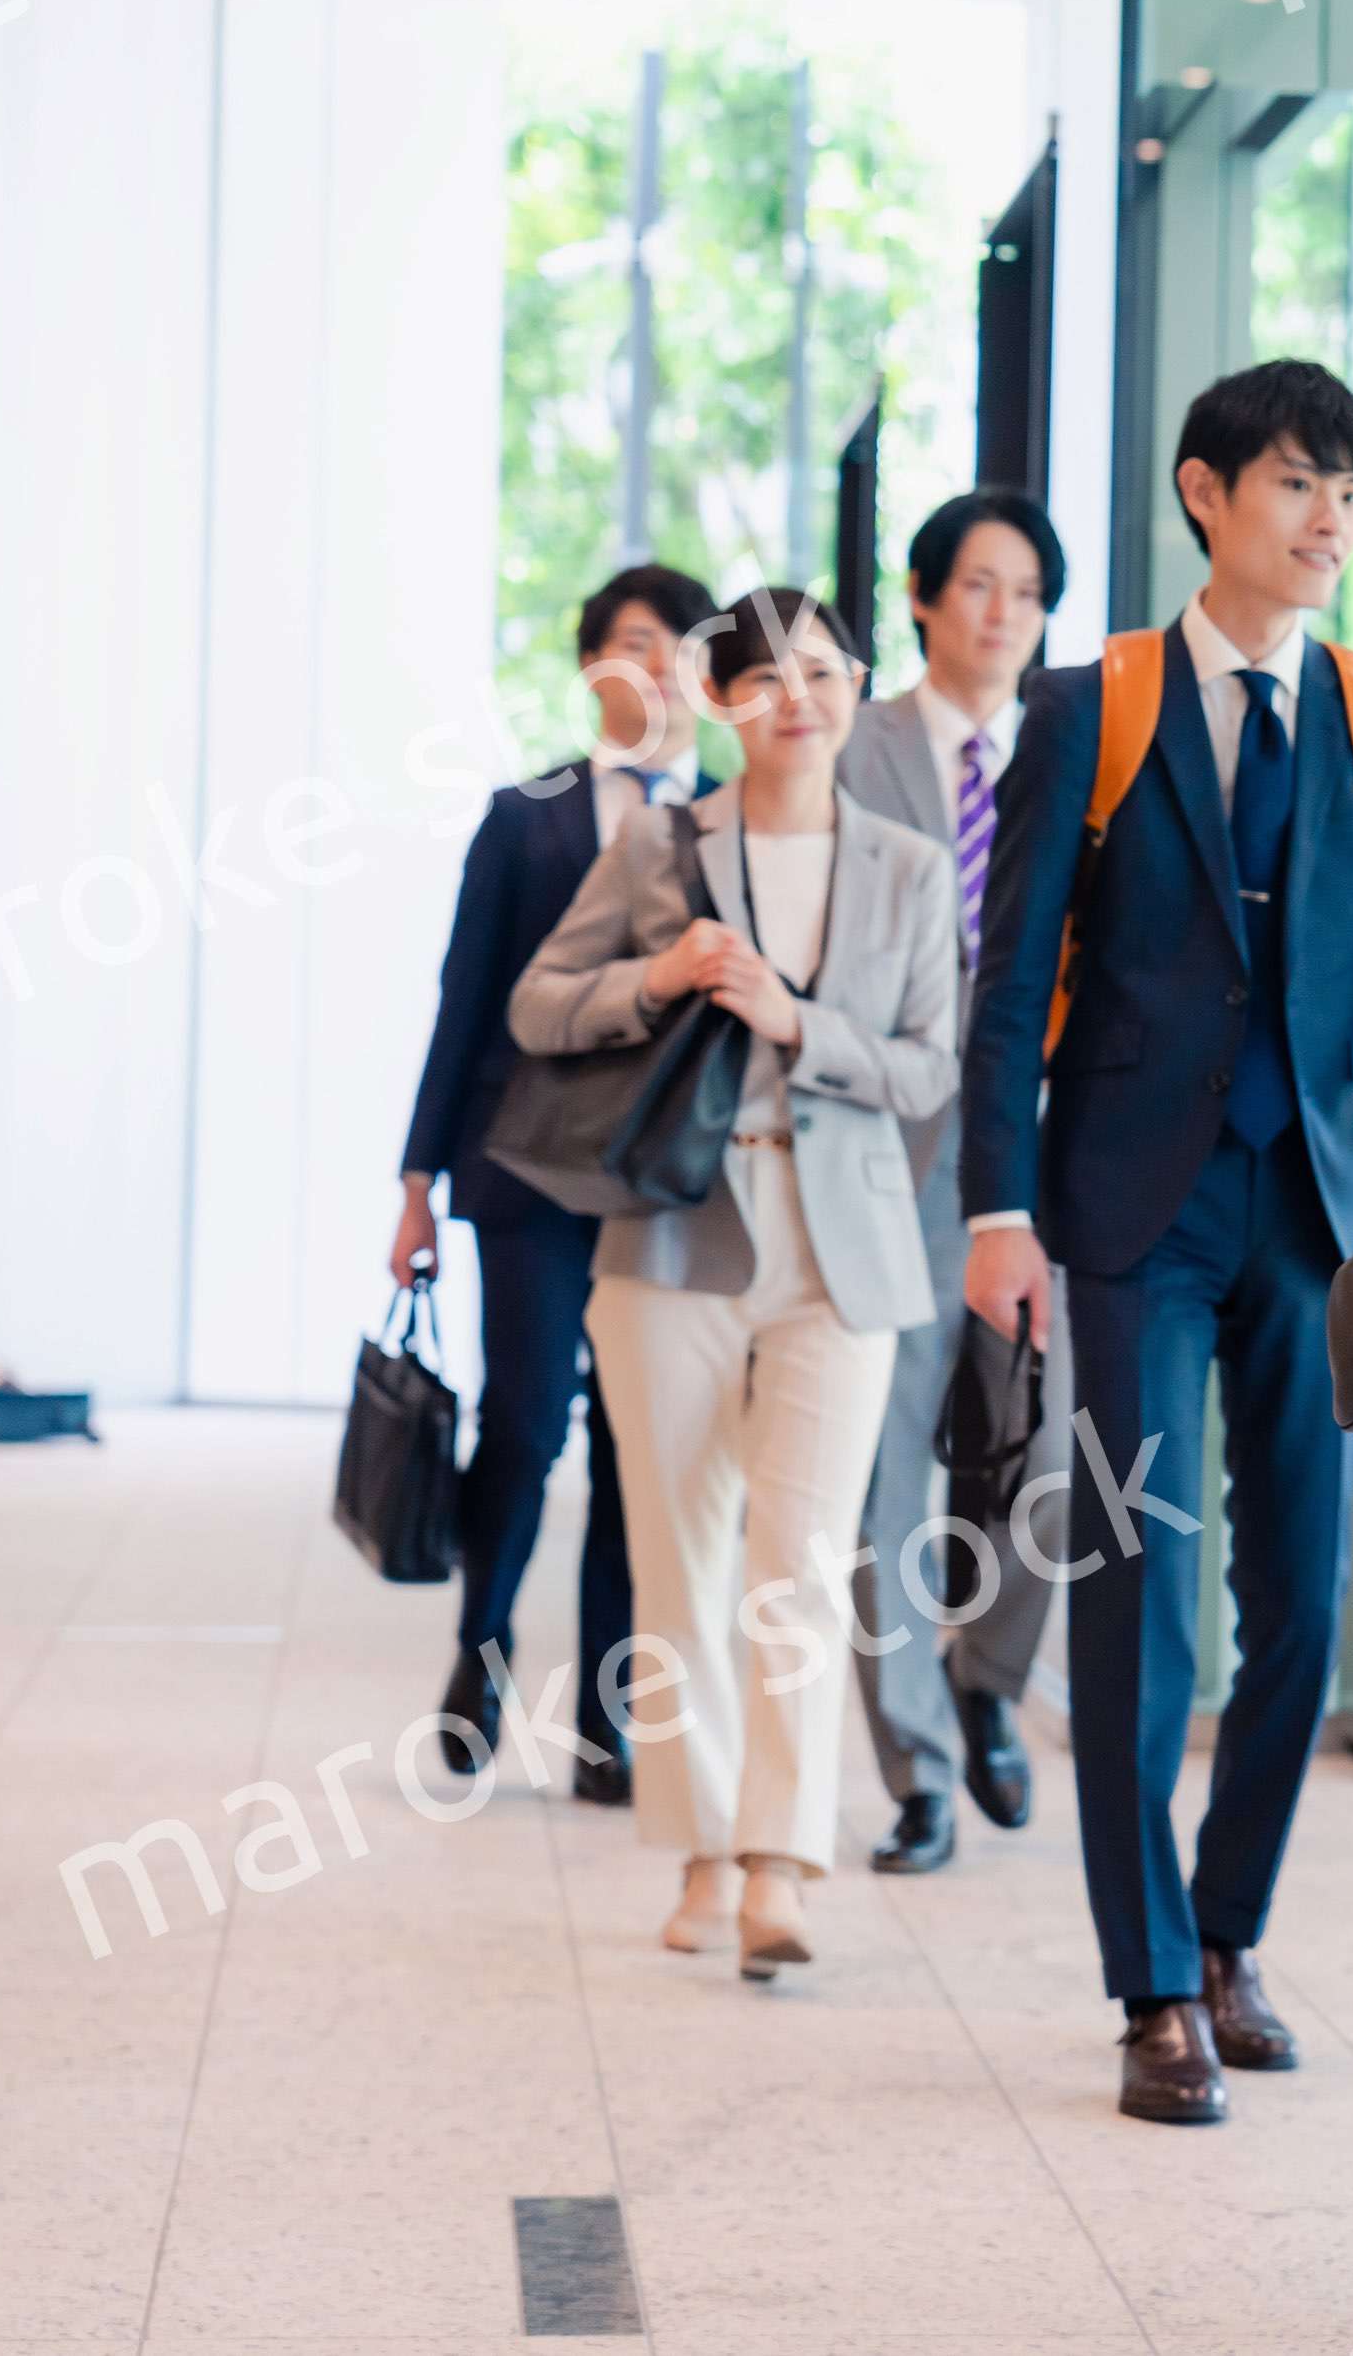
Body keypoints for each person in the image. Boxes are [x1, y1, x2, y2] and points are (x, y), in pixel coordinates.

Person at [956, 359, 1353, 2126]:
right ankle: (1152, 1983)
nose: (1331, 520)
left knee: (1299, 1610)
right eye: (1296, 485)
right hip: (1129, 1210)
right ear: (1206, 493)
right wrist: (999, 1197)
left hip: (1319, 1215)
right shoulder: (1088, 703)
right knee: (1138, 1590)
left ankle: (1232, 1928)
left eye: (1351, 490)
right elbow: (1012, 972)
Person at [508, 587, 961, 1981]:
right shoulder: (661, 840)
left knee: (804, 1556)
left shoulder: (905, 864)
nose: (797, 701)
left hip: (843, 1241)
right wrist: (657, 974)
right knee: (680, 1548)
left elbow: (931, 1066)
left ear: (858, 681)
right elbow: (536, 1003)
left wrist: (798, 1023)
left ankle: (780, 1858)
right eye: (763, 681)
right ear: (721, 700)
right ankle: (703, 1842)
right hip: (671, 1227)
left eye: (821, 673)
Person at [392, 562, 716, 1798]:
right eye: (637, 643)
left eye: (685, 648)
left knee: (642, 1446)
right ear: (593, 666)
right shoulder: (522, 813)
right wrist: (417, 1180)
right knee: (523, 1425)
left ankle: (602, 1714)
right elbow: (462, 1004)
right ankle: (481, 1647)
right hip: (523, 1173)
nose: (662, 667)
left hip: (660, 1182)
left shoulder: (727, 817)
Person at [834, 488, 1079, 1876]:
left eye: (1029, 592)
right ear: (924, 596)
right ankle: (919, 1765)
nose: (1004, 613)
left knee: (1047, 1458)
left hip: (1031, 1166)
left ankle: (987, 1676)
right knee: (885, 1482)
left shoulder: (1070, 746)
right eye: (980, 584)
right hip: (882, 1165)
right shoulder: (857, 748)